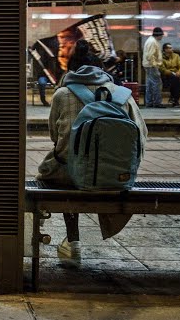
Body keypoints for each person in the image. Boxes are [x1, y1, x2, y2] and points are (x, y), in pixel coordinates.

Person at [35, 40, 148, 268]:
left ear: (71, 69)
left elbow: (56, 138)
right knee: (102, 174)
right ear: (101, 69)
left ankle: (73, 240)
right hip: (115, 176)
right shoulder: (123, 95)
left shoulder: (62, 94)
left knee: (60, 170)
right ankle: (106, 220)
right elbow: (141, 136)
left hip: (70, 175)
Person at [141, 26, 165, 108]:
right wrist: (155, 64)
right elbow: (150, 56)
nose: (162, 36)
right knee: (157, 84)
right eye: (162, 35)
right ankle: (157, 102)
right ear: (159, 35)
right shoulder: (153, 42)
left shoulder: (150, 40)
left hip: (148, 65)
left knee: (150, 84)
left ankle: (149, 102)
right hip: (151, 66)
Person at [159, 42, 180, 107]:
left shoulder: (176, 56)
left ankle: (174, 99)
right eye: (169, 48)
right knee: (175, 80)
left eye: (171, 48)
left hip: (176, 75)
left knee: (176, 79)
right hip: (166, 75)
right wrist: (171, 73)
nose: (171, 49)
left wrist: (179, 72)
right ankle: (175, 100)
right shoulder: (161, 57)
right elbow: (162, 69)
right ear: (165, 49)